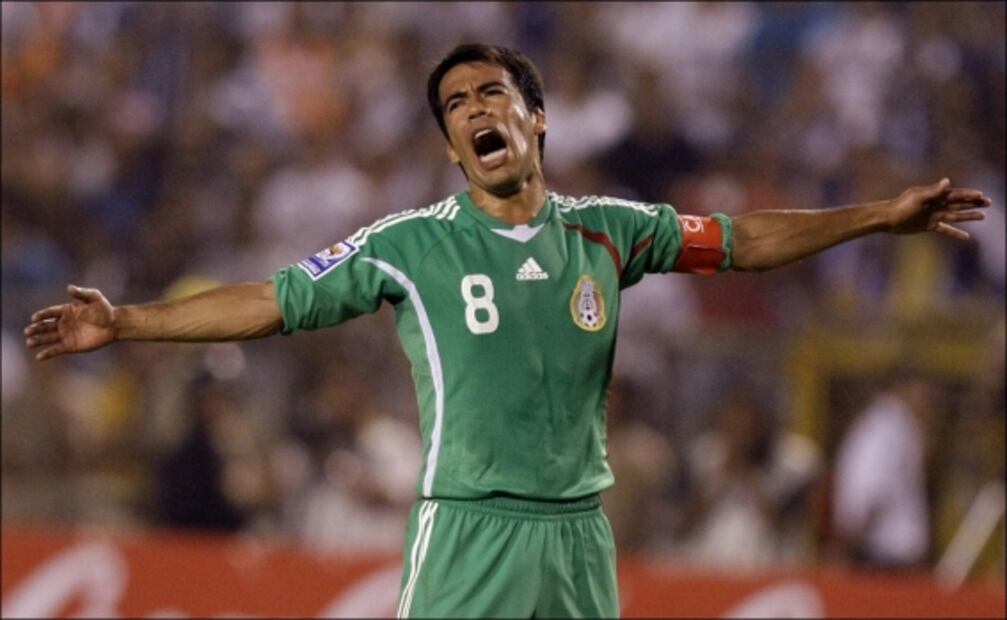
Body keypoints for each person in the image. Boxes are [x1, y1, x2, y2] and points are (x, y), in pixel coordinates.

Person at [24, 43, 990, 618]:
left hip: (577, 536)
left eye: (490, 93)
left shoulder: (609, 231)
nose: (473, 111)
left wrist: (875, 216)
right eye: (455, 106)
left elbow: (741, 242)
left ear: (537, 118)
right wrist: (129, 322)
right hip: (468, 530)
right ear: (453, 148)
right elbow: (273, 301)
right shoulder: (409, 244)